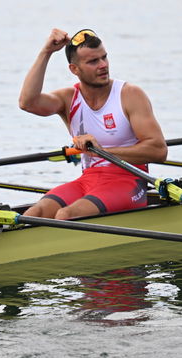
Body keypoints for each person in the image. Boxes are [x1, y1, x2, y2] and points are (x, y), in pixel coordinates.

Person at [18, 28, 167, 220]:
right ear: (74, 69)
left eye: (104, 57)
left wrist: (102, 150)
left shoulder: (130, 95)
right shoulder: (68, 99)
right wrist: (46, 52)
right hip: (87, 180)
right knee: (33, 215)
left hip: (128, 182)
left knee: (65, 215)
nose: (103, 65)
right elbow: (27, 103)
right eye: (93, 61)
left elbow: (159, 150)